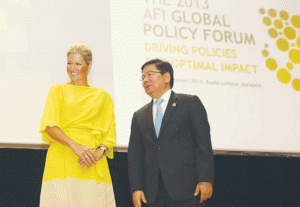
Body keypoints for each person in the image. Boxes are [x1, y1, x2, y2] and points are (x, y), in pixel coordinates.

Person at [128, 59, 214, 207]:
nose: (145, 80)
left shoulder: (189, 103)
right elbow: (135, 155)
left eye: (150, 74)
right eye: (143, 77)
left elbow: (203, 144)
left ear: (167, 77)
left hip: (188, 189)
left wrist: (205, 179)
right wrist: (137, 188)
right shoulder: (139, 115)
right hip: (152, 194)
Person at [39, 44, 116, 206]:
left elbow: (109, 135)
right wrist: (75, 146)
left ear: (89, 66)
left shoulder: (102, 96)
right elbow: (49, 126)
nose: (72, 68)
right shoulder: (57, 90)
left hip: (92, 163)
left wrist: (98, 153)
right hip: (62, 159)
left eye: (78, 64)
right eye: (69, 63)